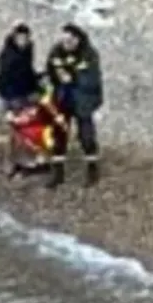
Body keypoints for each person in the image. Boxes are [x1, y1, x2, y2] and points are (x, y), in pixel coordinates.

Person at [45, 23, 104, 188]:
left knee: (87, 137)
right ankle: (58, 173)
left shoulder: (89, 55)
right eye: (64, 40)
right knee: (59, 136)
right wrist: (56, 79)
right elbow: (50, 70)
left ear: (77, 39)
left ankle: (92, 169)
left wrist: (73, 77)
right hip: (62, 100)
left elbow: (92, 80)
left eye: (70, 40)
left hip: (83, 101)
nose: (66, 44)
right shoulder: (56, 52)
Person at [6, 79, 68, 179]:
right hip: (29, 127)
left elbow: (48, 113)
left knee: (32, 140)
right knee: (19, 138)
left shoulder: (43, 102)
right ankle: (24, 162)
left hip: (38, 128)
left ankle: (37, 163)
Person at [0, 22, 39, 110]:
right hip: (11, 95)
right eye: (19, 38)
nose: (22, 41)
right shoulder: (8, 55)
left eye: (25, 38)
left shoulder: (27, 50)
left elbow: (28, 70)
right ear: (14, 38)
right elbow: (5, 78)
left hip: (24, 90)